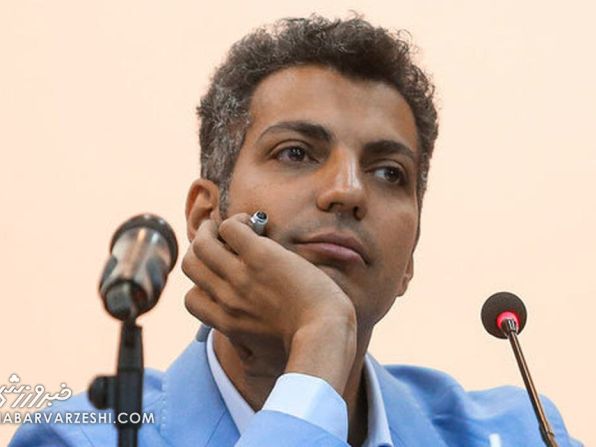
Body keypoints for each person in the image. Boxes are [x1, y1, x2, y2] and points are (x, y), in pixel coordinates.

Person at [10, 14, 581, 447]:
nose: (348, 191)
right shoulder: (83, 436)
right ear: (206, 216)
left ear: (410, 255)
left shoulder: (519, 431)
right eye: (297, 153)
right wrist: (317, 355)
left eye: (389, 172)